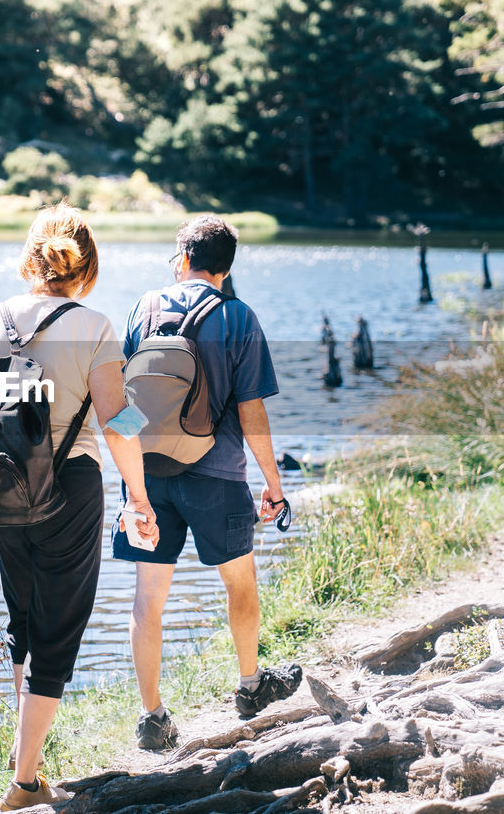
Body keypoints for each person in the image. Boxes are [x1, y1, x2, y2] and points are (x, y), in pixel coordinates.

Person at [0, 203, 159, 809]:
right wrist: (139, 497)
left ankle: (30, 762)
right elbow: (117, 421)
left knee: (23, 617)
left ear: (32, 258)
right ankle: (22, 784)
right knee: (59, 628)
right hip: (67, 487)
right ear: (86, 264)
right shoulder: (95, 326)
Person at [116, 215, 302, 750]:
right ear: (227, 267)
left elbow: (126, 397)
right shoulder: (238, 317)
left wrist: (131, 486)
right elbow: (252, 412)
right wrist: (274, 485)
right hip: (217, 476)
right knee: (239, 582)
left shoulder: (143, 308)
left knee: (147, 598)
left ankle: (152, 718)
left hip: (147, 472)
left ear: (182, 258)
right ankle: (250, 687)